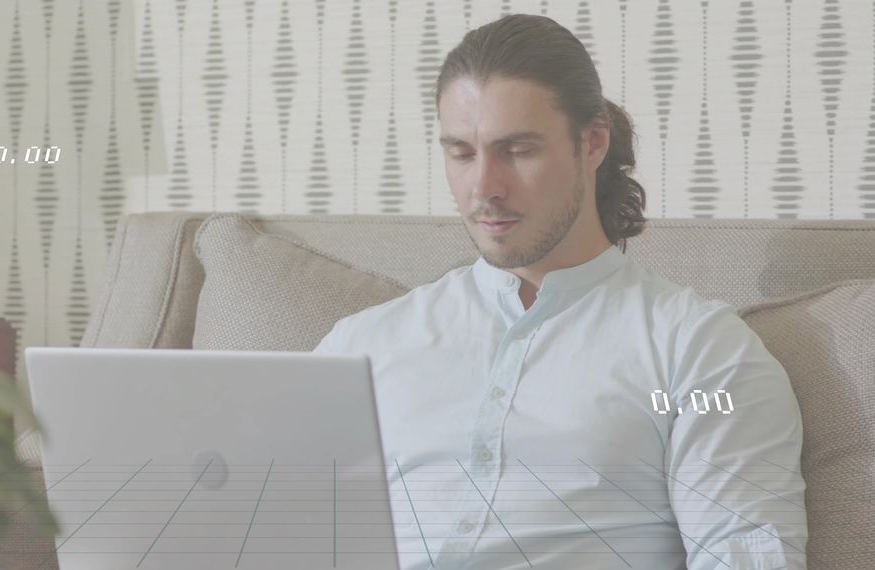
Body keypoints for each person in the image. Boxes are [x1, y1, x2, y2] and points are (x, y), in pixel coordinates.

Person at [314, 14, 807, 570]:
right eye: (461, 153)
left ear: (592, 142)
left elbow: (744, 556)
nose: (485, 188)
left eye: (518, 150)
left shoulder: (698, 357)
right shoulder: (359, 348)